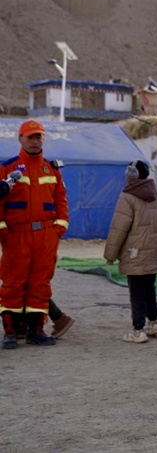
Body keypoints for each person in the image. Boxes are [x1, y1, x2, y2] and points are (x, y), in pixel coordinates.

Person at [0, 120, 69, 348]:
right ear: (20, 139)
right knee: (13, 283)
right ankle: (10, 332)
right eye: (30, 137)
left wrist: (58, 229)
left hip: (45, 238)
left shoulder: (52, 169)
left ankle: (36, 331)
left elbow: (61, 201)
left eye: (38, 136)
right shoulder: (7, 168)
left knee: (41, 284)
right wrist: (3, 232)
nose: (34, 141)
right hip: (16, 237)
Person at [104, 160, 157, 343]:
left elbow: (119, 228)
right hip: (153, 253)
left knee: (136, 291)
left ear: (131, 176)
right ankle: (153, 322)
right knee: (149, 288)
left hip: (134, 253)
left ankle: (138, 330)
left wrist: (110, 255)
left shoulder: (127, 197)